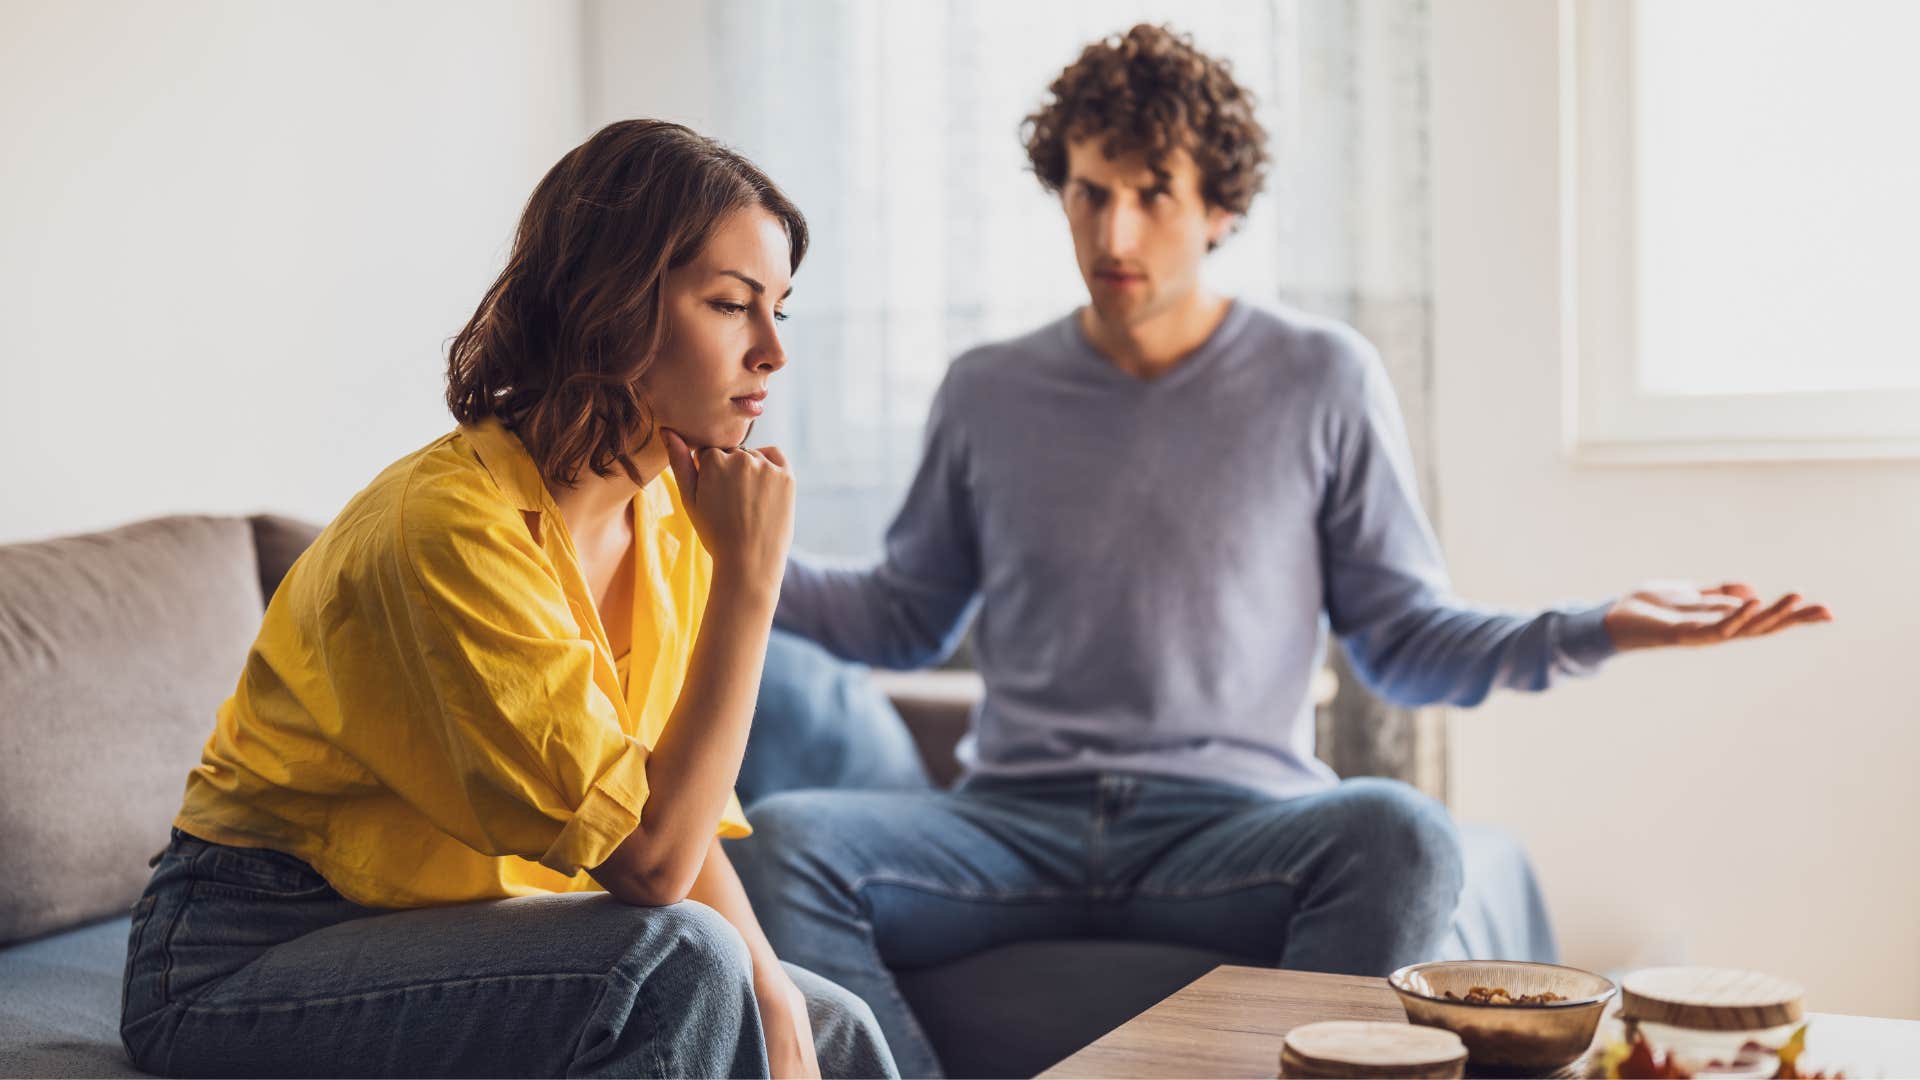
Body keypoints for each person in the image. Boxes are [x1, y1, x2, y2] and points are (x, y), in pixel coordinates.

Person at [727, 25, 1832, 1079]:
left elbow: (1401, 640)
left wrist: (1596, 627)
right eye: (1087, 192)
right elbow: (904, 616)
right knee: (780, 842)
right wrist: (727, 543)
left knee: (1401, 832)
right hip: (1011, 826)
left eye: (1151, 193)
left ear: (1218, 205)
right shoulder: (987, 389)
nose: (1113, 234)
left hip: (1232, 827)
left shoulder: (1322, 378)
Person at [119, 119, 897, 1080]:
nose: (773, 351)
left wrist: (774, 990)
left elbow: (670, 814)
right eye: (734, 305)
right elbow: (650, 866)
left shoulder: (671, 516)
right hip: (241, 952)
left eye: (782, 307)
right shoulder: (448, 525)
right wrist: (752, 581)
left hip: (456, 931)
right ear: (611, 306)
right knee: (679, 963)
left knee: (834, 1025)